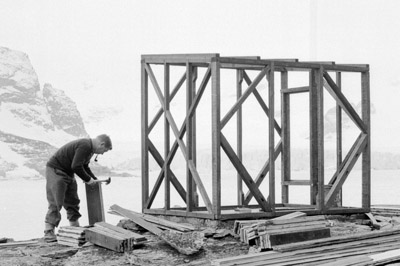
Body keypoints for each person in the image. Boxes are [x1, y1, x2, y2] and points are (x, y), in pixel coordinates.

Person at [43, 134, 112, 242]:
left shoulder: (89, 149)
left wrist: (94, 179)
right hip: (56, 170)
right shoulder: (85, 145)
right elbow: (76, 166)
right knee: (56, 201)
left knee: (73, 201)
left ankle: (74, 228)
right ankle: (48, 232)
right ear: (101, 144)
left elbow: (84, 166)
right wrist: (88, 180)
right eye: (104, 150)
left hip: (68, 173)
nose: (102, 153)